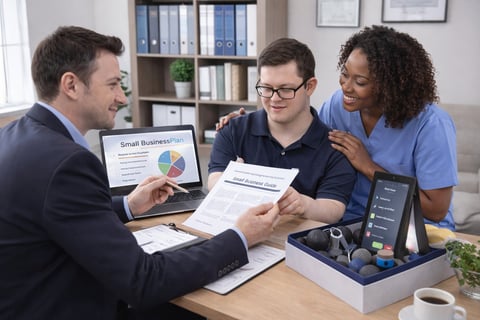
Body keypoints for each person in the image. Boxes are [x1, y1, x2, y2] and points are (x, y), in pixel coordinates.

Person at [0, 26, 279, 320]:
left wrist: (128, 205)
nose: (122, 98)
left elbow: (57, 211)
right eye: (112, 85)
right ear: (71, 85)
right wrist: (239, 237)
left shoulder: (14, 135)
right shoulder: (68, 163)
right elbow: (144, 281)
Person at [218, 26, 457, 231]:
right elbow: (305, 136)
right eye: (344, 74)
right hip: (350, 224)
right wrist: (243, 124)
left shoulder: (431, 125)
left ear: (391, 87)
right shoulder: (338, 105)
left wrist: (369, 168)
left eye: (360, 82)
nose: (346, 87)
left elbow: (435, 209)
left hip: (414, 230)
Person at [208, 38, 356, 224]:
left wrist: (303, 204)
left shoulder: (335, 148)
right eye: (266, 88)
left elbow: (333, 209)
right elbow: (214, 180)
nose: (274, 99)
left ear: (310, 86)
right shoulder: (233, 130)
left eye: (286, 89)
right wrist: (242, 182)